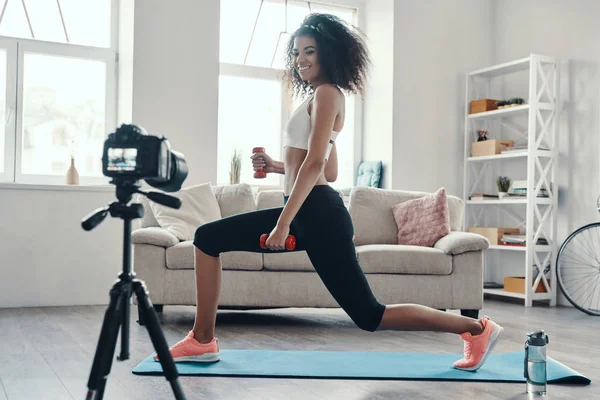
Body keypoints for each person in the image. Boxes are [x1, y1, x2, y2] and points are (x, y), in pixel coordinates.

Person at [155, 13, 503, 372]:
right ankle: (202, 340)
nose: (300, 59)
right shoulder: (325, 97)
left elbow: (318, 166)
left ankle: (476, 328)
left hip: (315, 213)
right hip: (315, 209)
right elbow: (329, 168)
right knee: (208, 239)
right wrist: (276, 166)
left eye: (309, 51)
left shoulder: (326, 93)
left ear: (329, 55)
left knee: (369, 315)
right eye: (296, 53)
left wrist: (283, 223)